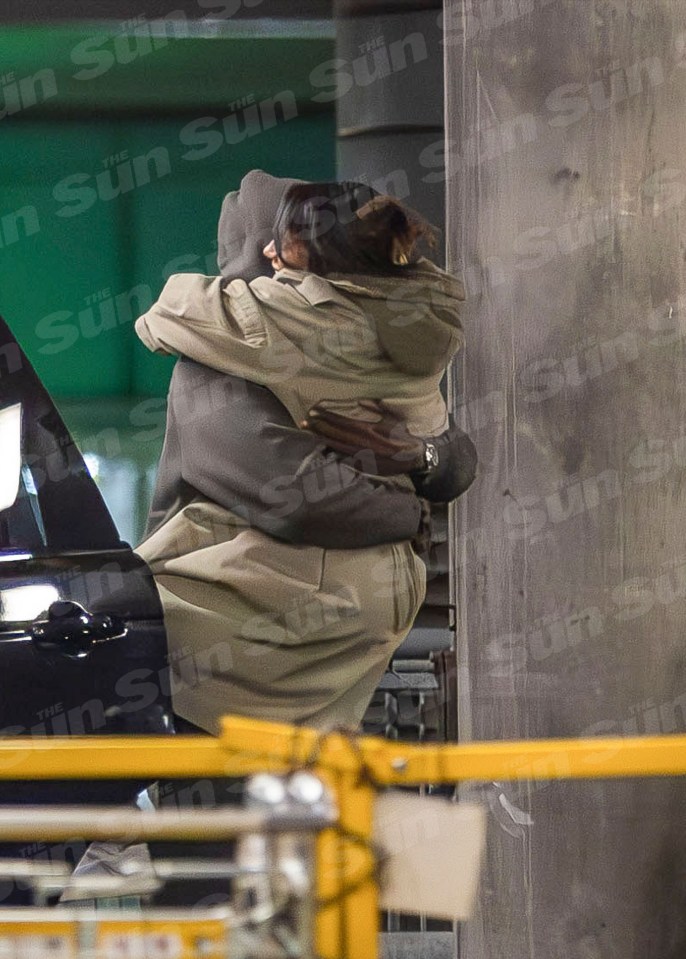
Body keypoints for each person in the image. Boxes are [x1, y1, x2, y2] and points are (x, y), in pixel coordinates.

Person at [132, 171, 473, 735]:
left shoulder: (254, 339)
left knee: (125, 636)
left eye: (279, 240)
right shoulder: (405, 324)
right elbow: (456, 455)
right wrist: (420, 465)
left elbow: (289, 497)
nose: (267, 252)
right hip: (375, 602)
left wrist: (407, 509)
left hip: (274, 608)